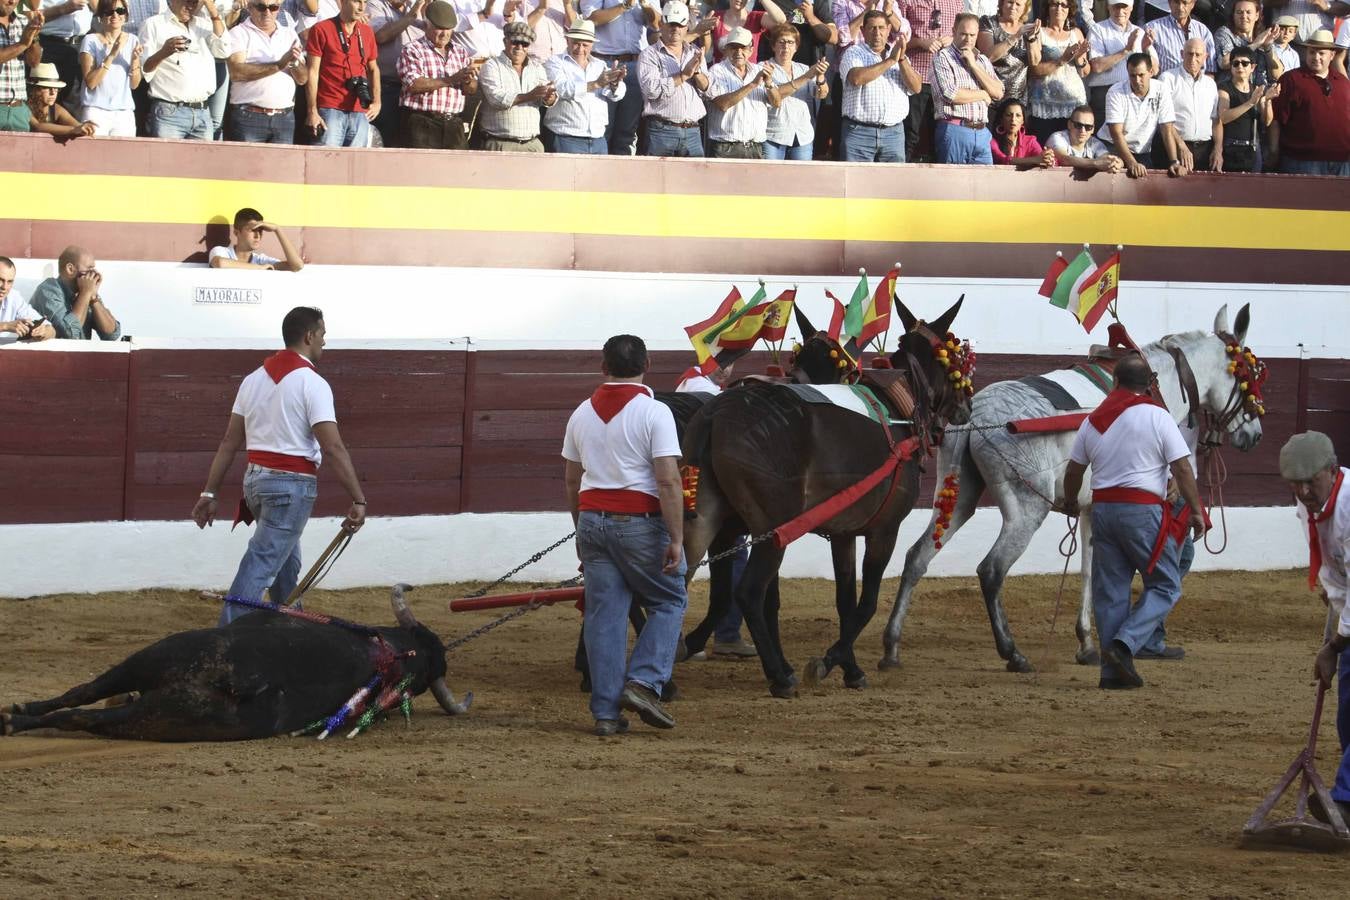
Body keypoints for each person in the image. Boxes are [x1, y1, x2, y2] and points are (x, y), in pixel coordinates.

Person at [193, 306, 368, 627]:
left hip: (255, 482)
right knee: (263, 560)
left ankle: (294, 629)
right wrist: (358, 498)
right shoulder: (312, 384)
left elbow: (230, 442)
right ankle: (227, 638)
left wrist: (210, 491)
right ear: (309, 336)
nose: (325, 342)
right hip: (290, 486)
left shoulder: (252, 381)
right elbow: (333, 447)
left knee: (283, 558)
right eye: (323, 335)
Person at [562, 334, 688, 736]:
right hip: (638, 523)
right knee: (669, 599)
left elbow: (571, 480)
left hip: (591, 520)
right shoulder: (654, 412)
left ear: (603, 367)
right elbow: (667, 480)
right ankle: (644, 682)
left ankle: (604, 713)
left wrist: (580, 530)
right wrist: (677, 537)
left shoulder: (581, 412)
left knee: (605, 616)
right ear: (647, 364)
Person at [1060, 354, 1206, 690]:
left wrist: (1070, 501)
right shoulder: (1158, 417)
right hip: (1142, 513)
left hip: (1104, 512)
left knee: (1110, 592)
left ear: (1114, 382)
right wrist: (1197, 511)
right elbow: (1182, 469)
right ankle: (1125, 645)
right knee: (1166, 583)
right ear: (1149, 384)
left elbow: (1074, 471)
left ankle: (1112, 674)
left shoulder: (1094, 420)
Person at [1282, 431, 1350, 826]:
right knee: (1348, 716)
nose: (1305, 491)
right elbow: (1336, 571)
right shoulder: (1312, 502)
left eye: (1312, 481)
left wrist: (1334, 646)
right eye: (1296, 483)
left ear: (1333, 470)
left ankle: (1345, 801)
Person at [140, 0, 231, 139]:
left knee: (203, 161)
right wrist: (164, 52)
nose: (191, 6)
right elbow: (145, 70)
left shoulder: (204, 24)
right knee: (167, 161)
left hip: (202, 112)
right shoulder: (153, 24)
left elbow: (223, 51)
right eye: (187, 1)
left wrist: (213, 11)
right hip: (169, 112)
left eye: (195, 3)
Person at [839, 8, 919, 161]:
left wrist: (901, 60)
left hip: (894, 134)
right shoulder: (853, 52)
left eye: (881, 27)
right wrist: (890, 61)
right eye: (872, 28)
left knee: (892, 183)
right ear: (863, 31)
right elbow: (856, 78)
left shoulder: (898, 55)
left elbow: (916, 87)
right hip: (859, 133)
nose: (877, 32)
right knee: (857, 183)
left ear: (889, 29)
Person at [398, 0, 480, 148]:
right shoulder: (413, 49)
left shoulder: (460, 51)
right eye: (439, 28)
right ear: (427, 24)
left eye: (448, 29)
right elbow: (413, 84)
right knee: (421, 169)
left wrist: (468, 81)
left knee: (459, 169)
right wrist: (451, 79)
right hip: (422, 123)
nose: (445, 34)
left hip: (453, 123)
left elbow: (471, 90)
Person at [580, 0, 658, 154]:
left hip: (636, 64)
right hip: (604, 62)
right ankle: (598, 175)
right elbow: (591, 18)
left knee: (628, 131)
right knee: (602, 127)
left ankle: (622, 176)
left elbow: (657, 24)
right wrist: (625, 5)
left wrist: (646, 6)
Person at [1268, 28, 1350, 174]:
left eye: (1321, 53)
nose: (1316, 57)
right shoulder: (1291, 79)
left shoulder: (1343, 83)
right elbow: (1276, 119)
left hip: (1342, 161)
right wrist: (1274, 152)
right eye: (1312, 52)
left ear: (1332, 55)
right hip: (1302, 161)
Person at [226, 0, 308, 144]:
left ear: (279, 9)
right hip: (248, 116)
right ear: (250, 7)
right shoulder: (238, 33)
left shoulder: (289, 34)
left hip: (284, 117)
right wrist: (279, 65)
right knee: (247, 166)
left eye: (273, 7)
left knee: (282, 167)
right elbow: (237, 72)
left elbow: (302, 79)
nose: (267, 12)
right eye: (261, 7)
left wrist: (294, 62)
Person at [305, 0, 381, 146]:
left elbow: (373, 69)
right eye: (356, 2)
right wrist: (312, 111)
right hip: (330, 108)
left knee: (356, 164)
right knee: (325, 162)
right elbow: (312, 72)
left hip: (360, 109)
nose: (361, 7)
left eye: (365, 2)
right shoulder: (321, 29)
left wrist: (377, 102)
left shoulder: (367, 31)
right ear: (343, 2)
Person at [637, 0, 708, 157]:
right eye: (671, 24)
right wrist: (683, 75)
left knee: (694, 181)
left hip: (693, 132)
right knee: (657, 180)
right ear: (662, 23)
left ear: (687, 27)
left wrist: (696, 73)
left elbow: (707, 90)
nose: (676, 29)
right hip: (661, 132)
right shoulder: (649, 54)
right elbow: (651, 91)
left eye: (680, 24)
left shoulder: (694, 52)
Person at [544, 18, 624, 153]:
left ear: (592, 45)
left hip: (598, 138)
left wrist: (615, 84)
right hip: (566, 137)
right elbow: (562, 89)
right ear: (567, 41)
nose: (580, 49)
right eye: (576, 43)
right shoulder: (555, 62)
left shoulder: (600, 65)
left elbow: (617, 95)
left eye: (585, 45)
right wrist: (596, 84)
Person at [1099, 51, 1185, 176]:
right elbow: (1116, 133)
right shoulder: (1115, 92)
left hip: (1142, 151)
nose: (1137, 80)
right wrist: (1132, 163)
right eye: (1132, 76)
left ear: (1151, 73)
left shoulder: (1162, 89)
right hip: (1113, 148)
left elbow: (1167, 129)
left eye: (1141, 75)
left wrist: (1174, 161)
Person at [933, 11, 1002, 162]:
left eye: (972, 35)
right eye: (963, 34)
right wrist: (983, 94)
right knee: (953, 183)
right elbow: (950, 94)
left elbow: (998, 92)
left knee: (985, 184)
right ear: (953, 32)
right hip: (954, 129)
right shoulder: (943, 57)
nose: (968, 40)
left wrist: (974, 65)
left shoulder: (982, 60)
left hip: (982, 131)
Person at [900, 0, 964, 161]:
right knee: (912, 133)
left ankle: (940, 178)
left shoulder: (956, 2)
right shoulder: (906, 1)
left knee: (942, 132)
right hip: (916, 77)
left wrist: (952, 40)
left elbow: (964, 35)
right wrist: (920, 42)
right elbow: (895, 39)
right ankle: (901, 174)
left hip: (946, 79)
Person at [477, 19, 552, 150]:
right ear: (505, 41)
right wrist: (529, 95)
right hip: (500, 143)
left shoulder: (537, 67)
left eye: (524, 44)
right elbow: (496, 99)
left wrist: (549, 98)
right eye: (515, 42)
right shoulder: (491, 65)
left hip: (532, 144)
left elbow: (546, 98)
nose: (519, 47)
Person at [705, 25, 777, 157]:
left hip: (755, 147)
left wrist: (769, 84)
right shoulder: (716, 71)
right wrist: (753, 84)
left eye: (743, 47)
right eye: (733, 47)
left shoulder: (759, 69)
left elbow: (776, 103)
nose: (738, 52)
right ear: (726, 49)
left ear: (751, 50)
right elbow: (722, 104)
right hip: (725, 148)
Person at [761, 22, 829, 159]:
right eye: (782, 42)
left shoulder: (803, 68)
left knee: (802, 180)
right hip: (773, 135)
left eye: (791, 43)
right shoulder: (763, 68)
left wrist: (820, 76)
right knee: (770, 179)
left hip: (802, 136)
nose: (786, 47)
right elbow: (775, 97)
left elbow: (821, 94)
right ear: (773, 46)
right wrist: (807, 77)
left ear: (796, 47)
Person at [364, 0, 426, 146]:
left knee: (407, 143)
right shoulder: (375, 4)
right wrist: (412, 14)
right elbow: (381, 36)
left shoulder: (415, 7)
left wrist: (423, 8)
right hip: (387, 88)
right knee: (385, 141)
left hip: (414, 91)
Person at [1086, 0, 1157, 127]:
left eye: (1124, 7)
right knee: (1106, 141)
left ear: (1131, 8)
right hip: (1106, 94)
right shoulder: (1098, 29)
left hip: (1134, 92)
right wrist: (1126, 50)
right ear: (1108, 7)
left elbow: (1155, 69)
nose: (1120, 11)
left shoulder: (1139, 31)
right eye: (1116, 7)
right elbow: (1096, 66)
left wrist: (1145, 48)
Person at [79, 0, 145, 136]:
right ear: (100, 17)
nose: (115, 15)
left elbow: (134, 85)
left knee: (124, 156)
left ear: (126, 16)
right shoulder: (90, 40)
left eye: (120, 11)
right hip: (95, 110)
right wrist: (111, 55)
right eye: (108, 12)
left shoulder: (133, 40)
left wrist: (134, 60)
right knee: (94, 155)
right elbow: (91, 83)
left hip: (124, 112)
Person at [1025, 0, 1088, 142]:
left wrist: (1079, 59)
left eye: (1064, 5)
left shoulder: (1076, 33)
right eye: (1055, 4)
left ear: (1069, 9)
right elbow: (1034, 70)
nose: (1059, 8)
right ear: (1048, 7)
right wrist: (1062, 60)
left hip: (1073, 104)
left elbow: (1085, 72)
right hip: (1045, 106)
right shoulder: (1039, 32)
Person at [30, 246, 123, 341]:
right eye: (89, 269)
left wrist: (93, 298)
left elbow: (112, 335)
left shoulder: (85, 292)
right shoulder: (48, 289)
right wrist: (86, 293)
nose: (94, 274)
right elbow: (70, 333)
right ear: (70, 269)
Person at [1158, 36, 1221, 171]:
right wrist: (1181, 145)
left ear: (1206, 57)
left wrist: (1218, 149)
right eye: (1189, 54)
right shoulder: (1167, 79)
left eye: (1198, 55)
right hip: (1175, 148)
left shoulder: (1210, 84)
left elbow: (1216, 120)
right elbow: (1164, 121)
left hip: (1205, 151)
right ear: (1182, 54)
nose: (1193, 59)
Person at [1216, 44, 1269, 171]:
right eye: (1236, 63)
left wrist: (1267, 101)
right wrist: (1250, 103)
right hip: (1230, 148)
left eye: (1245, 63)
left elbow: (1267, 121)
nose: (1240, 67)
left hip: (1253, 149)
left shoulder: (1256, 89)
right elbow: (1223, 117)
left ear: (1253, 67)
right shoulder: (1224, 88)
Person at [976, 0, 1039, 104]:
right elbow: (988, 56)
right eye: (1010, 2)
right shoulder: (988, 22)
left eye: (1018, 4)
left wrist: (1031, 39)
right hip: (991, 98)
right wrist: (1016, 36)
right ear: (1002, 3)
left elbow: (1035, 62)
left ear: (1025, 8)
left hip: (1017, 101)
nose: (1013, 7)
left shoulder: (1028, 29)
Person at [209, 207, 305, 271]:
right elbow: (220, 263)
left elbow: (297, 266)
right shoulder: (221, 251)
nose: (257, 235)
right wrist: (259, 269)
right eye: (253, 230)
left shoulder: (260, 260)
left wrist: (277, 229)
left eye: (260, 230)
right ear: (237, 233)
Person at [38, 0, 93, 106]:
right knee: (48, 99)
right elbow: (28, 17)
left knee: (79, 98)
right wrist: (62, 9)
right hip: (51, 44)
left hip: (82, 44)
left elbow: (105, 11)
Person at [694, 0, 785, 62]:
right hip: (720, 75)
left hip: (748, 76)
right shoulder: (716, 17)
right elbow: (704, 49)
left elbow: (781, 20)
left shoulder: (756, 17)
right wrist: (705, 33)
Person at [0, 0, 43, 133]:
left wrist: (34, 36)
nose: (12, 1)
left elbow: (34, 62)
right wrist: (23, 44)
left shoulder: (23, 21)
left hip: (18, 109)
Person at [1214, 0, 1280, 83]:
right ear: (1233, 15)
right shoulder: (1224, 33)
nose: (1244, 16)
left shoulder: (1263, 36)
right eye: (1239, 12)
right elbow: (1224, 63)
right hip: (1232, 92)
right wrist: (1255, 44)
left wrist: (1267, 48)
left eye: (1248, 12)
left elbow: (1277, 75)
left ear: (1257, 15)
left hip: (1260, 92)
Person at [1045, 102, 1124, 170]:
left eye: (1088, 127)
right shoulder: (1057, 137)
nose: (1083, 130)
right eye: (1078, 125)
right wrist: (1095, 163)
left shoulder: (1095, 144)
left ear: (1093, 129)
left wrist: (1117, 163)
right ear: (1069, 124)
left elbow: (1107, 160)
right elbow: (1064, 159)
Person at [26, 62, 97, 137]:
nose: (53, 92)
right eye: (47, 88)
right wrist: (73, 129)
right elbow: (38, 127)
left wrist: (86, 127)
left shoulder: (56, 109)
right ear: (34, 90)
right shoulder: (24, 108)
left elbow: (77, 126)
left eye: (56, 88)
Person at [1144, 0, 1214, 74]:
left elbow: (1211, 70)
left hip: (1199, 84)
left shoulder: (1203, 31)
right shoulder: (1152, 28)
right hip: (1166, 83)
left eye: (1185, 3)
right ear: (1170, 3)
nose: (1180, 7)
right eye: (1176, 2)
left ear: (1192, 4)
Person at [0, 256, 56, 342]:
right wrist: (5, 326)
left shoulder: (13, 297)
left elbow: (51, 330)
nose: (5, 287)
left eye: (10, 281)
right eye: (0, 280)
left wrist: (43, 332)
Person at [989, 95, 1054, 164]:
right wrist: (1036, 160)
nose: (1013, 119)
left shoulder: (1030, 141)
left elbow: (1041, 157)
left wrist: (1047, 158)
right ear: (1001, 119)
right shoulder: (992, 140)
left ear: (1023, 121)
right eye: (1008, 115)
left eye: (1018, 115)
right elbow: (1003, 159)